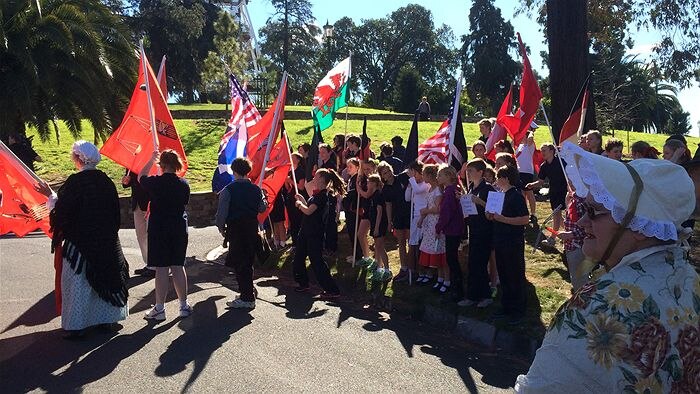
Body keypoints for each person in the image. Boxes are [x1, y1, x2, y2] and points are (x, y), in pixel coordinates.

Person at [515, 142, 699, 392]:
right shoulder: (690, 280)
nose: (581, 221)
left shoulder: (595, 306)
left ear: (638, 226)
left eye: (594, 211)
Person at [49, 141, 129, 339]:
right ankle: (106, 319)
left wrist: (51, 201)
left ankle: (78, 325)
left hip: (80, 243)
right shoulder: (106, 181)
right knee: (105, 276)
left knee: (80, 284)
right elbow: (114, 214)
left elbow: (64, 212)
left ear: (78, 158)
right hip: (106, 241)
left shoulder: (75, 182)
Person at [139, 149, 192, 321]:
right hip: (178, 227)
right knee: (178, 266)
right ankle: (183, 305)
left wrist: (150, 159)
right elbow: (184, 202)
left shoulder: (154, 182)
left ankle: (160, 308)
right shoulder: (183, 184)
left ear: (161, 165)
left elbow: (141, 177)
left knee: (161, 268)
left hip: (159, 228)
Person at [215, 157, 268, 309]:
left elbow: (221, 214)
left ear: (234, 171)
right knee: (248, 261)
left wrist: (221, 228)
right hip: (251, 227)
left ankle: (247, 297)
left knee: (240, 263)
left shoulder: (228, 190)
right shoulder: (256, 189)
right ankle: (246, 292)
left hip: (236, 228)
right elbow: (262, 209)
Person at [292, 168, 344, 299]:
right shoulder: (316, 195)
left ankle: (332, 289)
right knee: (299, 257)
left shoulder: (322, 196)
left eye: (316, 177)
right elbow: (309, 207)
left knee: (317, 261)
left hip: (314, 233)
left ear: (321, 179)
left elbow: (309, 211)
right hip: (306, 231)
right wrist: (303, 200)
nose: (313, 179)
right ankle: (303, 283)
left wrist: (299, 205)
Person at [488, 165, 529, 324]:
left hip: (513, 242)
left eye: (499, 178)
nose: (497, 181)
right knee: (504, 275)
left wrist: (503, 219)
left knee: (514, 275)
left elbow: (524, 219)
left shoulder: (516, 196)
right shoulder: (500, 195)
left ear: (505, 179)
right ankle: (506, 306)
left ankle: (518, 310)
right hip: (500, 240)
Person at [459, 158, 495, 307]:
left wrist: (479, 201)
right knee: (473, 263)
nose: (468, 173)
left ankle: (485, 296)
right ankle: (472, 296)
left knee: (480, 263)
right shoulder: (472, 187)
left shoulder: (488, 188)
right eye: (468, 171)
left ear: (480, 172)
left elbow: (494, 210)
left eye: (471, 171)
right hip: (473, 229)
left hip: (485, 230)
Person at [526, 143, 568, 245]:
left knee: (556, 215)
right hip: (553, 192)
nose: (542, 153)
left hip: (564, 191)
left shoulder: (561, 162)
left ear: (552, 151)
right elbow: (540, 181)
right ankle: (568, 234)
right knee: (558, 216)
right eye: (541, 150)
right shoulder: (544, 166)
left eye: (544, 150)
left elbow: (570, 176)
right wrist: (532, 184)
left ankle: (552, 238)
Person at [378, 161, 411, 282]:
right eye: (385, 173)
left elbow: (411, 172)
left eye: (389, 170)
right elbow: (388, 205)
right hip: (398, 216)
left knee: (411, 242)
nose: (389, 174)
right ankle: (404, 267)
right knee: (401, 242)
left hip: (409, 213)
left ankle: (413, 268)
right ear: (383, 176)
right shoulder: (386, 189)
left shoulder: (402, 177)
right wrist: (389, 221)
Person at [416, 164, 447, 291]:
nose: (422, 177)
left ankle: (442, 278)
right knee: (430, 248)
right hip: (429, 222)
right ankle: (434, 276)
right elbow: (428, 205)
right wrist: (422, 218)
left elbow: (438, 209)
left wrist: (425, 212)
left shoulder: (438, 190)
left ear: (429, 175)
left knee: (438, 249)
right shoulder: (430, 188)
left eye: (424, 174)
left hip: (436, 222)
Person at [435, 165, 464, 300]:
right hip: (455, 228)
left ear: (448, 177)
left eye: (440, 175)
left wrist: (438, 227)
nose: (438, 178)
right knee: (452, 258)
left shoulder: (449, 192)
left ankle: (457, 289)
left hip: (452, 229)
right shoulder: (453, 190)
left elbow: (446, 213)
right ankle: (456, 286)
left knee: (451, 259)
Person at [121, 169, 152, 276]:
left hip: (150, 203)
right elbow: (127, 181)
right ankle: (149, 263)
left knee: (151, 235)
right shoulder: (132, 162)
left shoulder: (153, 161)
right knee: (141, 235)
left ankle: (155, 266)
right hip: (137, 203)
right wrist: (126, 181)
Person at [406, 160, 430, 282]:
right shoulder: (414, 184)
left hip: (425, 217)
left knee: (423, 245)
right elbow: (407, 198)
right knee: (413, 244)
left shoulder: (426, 185)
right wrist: (410, 185)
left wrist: (412, 180)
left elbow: (418, 191)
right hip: (415, 217)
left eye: (415, 173)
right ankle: (416, 270)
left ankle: (427, 272)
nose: (413, 175)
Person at [365, 174, 391, 281]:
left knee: (380, 247)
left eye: (369, 182)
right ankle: (379, 268)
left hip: (379, 224)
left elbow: (379, 212)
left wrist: (376, 227)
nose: (367, 184)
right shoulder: (374, 194)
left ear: (374, 183)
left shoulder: (378, 195)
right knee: (377, 247)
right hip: (375, 223)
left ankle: (387, 270)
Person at [342, 157, 363, 263]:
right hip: (349, 210)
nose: (348, 168)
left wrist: (345, 196)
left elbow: (354, 194)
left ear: (357, 167)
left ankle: (359, 255)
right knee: (351, 232)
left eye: (351, 166)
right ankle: (355, 253)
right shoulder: (351, 179)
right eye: (347, 166)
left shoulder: (357, 179)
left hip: (354, 210)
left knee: (355, 232)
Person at [284, 153, 306, 247]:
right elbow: (288, 188)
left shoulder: (300, 171)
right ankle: (295, 242)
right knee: (292, 221)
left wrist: (291, 181)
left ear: (298, 160)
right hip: (290, 198)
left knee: (298, 221)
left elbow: (301, 187)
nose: (291, 159)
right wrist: (286, 181)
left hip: (298, 198)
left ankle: (301, 242)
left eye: (293, 158)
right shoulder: (290, 171)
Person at [516, 133, 537, 224]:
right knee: (521, 194)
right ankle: (524, 213)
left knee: (529, 193)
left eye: (523, 135)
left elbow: (530, 139)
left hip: (527, 172)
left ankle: (533, 213)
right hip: (518, 172)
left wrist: (530, 131)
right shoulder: (519, 146)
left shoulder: (530, 146)